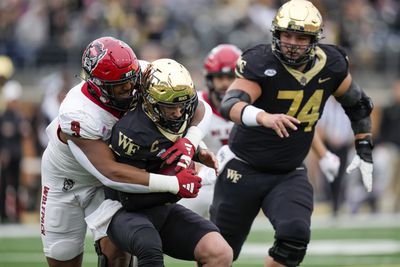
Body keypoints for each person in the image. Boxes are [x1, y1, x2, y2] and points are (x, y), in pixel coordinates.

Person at [209, 1, 374, 266]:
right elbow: (231, 104)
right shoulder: (260, 61)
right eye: (287, 35)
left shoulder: (331, 64)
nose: (292, 42)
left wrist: (363, 145)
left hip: (288, 172)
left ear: (314, 39)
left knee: (294, 239)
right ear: (276, 34)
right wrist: (262, 116)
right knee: (219, 253)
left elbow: (358, 104)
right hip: (243, 169)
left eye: (301, 36)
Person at [40, 36, 213, 267]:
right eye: (119, 86)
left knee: (119, 252)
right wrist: (173, 183)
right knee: (63, 255)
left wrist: (192, 142)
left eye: (131, 80)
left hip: (117, 183)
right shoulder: (78, 112)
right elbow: (109, 172)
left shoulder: (144, 73)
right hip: (70, 180)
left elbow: (200, 106)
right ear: (96, 84)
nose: (130, 89)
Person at [179, 43, 340, 217]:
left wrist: (323, 155)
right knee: (181, 219)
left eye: (230, 77)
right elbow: (180, 145)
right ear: (209, 79)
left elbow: (297, 126)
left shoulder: (258, 103)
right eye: (219, 77)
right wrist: (198, 169)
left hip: (243, 176)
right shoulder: (197, 108)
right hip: (204, 179)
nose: (225, 84)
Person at [104, 58, 233, 266]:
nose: (178, 113)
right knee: (149, 247)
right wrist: (175, 185)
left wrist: (195, 149)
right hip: (125, 212)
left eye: (182, 105)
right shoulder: (131, 131)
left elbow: (202, 108)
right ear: (150, 102)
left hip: (163, 209)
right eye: (170, 107)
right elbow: (128, 197)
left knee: (219, 251)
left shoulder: (181, 109)